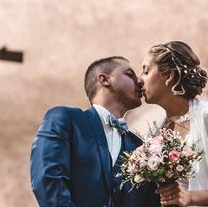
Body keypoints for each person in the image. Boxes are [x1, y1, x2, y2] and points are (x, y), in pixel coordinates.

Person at [30, 56, 160, 207]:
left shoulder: (140, 146)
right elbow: (48, 181)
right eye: (130, 74)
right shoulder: (66, 119)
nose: (139, 81)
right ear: (104, 79)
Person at [139, 41, 208, 207]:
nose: (139, 79)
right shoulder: (156, 134)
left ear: (169, 76)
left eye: (146, 71)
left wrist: (191, 197)